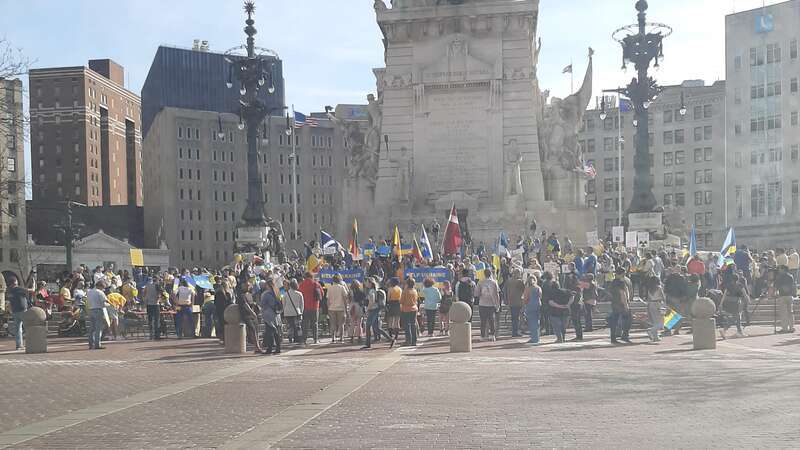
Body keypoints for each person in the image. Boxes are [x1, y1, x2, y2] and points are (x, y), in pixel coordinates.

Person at [362, 277, 392, 349]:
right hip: (376, 309)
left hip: (373, 309)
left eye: (366, 282)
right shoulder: (374, 290)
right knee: (376, 328)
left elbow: (371, 301)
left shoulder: (371, 291)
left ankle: (368, 343)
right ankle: (391, 339)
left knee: (368, 326)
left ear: (370, 283)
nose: (365, 284)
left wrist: (368, 309)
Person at [7, 277, 31, 351]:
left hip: (15, 311)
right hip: (22, 310)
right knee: (28, 327)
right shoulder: (18, 289)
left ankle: (19, 345)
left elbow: (10, 302)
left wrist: (10, 310)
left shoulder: (10, 291)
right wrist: (33, 285)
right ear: (15, 282)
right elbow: (30, 290)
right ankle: (30, 343)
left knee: (17, 329)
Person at [719, 274, 746, 339]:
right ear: (738, 279)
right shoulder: (740, 285)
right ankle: (724, 329)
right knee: (735, 318)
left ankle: (739, 331)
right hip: (736, 303)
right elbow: (744, 294)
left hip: (728, 303)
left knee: (737, 317)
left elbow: (724, 295)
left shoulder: (729, 286)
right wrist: (747, 300)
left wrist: (721, 303)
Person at [477, 268, 501, 341]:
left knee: (483, 320)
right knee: (491, 320)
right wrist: (497, 304)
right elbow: (497, 294)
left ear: (484, 274)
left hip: (482, 303)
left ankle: (483, 336)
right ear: (491, 274)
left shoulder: (480, 282)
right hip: (491, 304)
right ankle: (492, 335)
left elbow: (477, 293)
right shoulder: (494, 282)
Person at [609, 268, 632, 344]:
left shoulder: (613, 282)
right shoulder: (621, 282)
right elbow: (623, 294)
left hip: (615, 303)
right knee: (627, 320)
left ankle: (613, 337)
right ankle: (625, 335)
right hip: (621, 304)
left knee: (614, 321)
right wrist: (626, 305)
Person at [298, 272, 322, 344]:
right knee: (314, 323)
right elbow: (322, 293)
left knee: (305, 324)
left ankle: (304, 339)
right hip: (314, 306)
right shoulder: (316, 284)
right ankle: (315, 339)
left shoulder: (301, 284)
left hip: (305, 307)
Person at [260, 279, 283, 354]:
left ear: (267, 285)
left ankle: (269, 349)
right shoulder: (277, 292)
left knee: (269, 331)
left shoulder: (266, 294)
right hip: (276, 314)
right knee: (275, 331)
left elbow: (262, 304)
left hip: (268, 314)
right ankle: (278, 347)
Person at [239, 281, 263, 354]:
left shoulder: (250, 294)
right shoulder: (241, 295)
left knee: (255, 330)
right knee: (252, 330)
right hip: (247, 315)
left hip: (252, 315)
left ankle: (257, 346)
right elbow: (245, 305)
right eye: (246, 285)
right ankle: (257, 347)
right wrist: (252, 313)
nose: (247, 287)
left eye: (248, 285)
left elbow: (252, 304)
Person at [86, 280, 110, 350]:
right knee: (98, 329)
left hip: (91, 309)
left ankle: (90, 343)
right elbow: (104, 303)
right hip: (98, 309)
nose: (104, 289)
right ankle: (97, 344)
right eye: (103, 287)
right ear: (101, 286)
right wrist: (109, 305)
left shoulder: (89, 292)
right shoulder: (100, 292)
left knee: (92, 328)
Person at [326, 274, 350, 343]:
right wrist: (346, 308)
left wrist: (328, 308)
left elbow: (328, 299)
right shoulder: (342, 287)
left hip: (331, 308)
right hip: (341, 308)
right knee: (341, 324)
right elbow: (345, 298)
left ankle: (333, 338)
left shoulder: (330, 288)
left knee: (332, 323)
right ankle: (341, 338)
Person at [774, 265, 796, 334]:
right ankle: (791, 327)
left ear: (784, 269)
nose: (779, 270)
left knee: (783, 313)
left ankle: (785, 328)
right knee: (790, 312)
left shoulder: (779, 277)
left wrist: (775, 292)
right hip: (789, 295)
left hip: (782, 296)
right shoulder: (790, 276)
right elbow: (792, 285)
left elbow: (776, 286)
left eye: (780, 269)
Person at [282, 279, 304, 344]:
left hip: (287, 312)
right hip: (297, 312)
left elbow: (284, 304)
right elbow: (302, 304)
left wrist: (285, 311)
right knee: (298, 327)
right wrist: (301, 312)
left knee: (289, 327)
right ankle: (300, 339)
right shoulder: (299, 294)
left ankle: (290, 339)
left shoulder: (285, 294)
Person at [504, 270, 525, 337]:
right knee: (517, 317)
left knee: (514, 317)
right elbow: (524, 290)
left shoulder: (508, 281)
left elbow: (504, 291)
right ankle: (515, 332)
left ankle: (514, 331)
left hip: (511, 301)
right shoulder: (520, 281)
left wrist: (506, 300)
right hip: (518, 301)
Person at [644, 275, 665, 342]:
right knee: (661, 322)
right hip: (658, 304)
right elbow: (663, 297)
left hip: (651, 304)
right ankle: (650, 330)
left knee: (655, 322)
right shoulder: (659, 288)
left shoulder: (649, 289)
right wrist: (665, 305)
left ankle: (656, 337)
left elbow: (648, 299)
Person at [399, 277, 419, 346]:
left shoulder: (405, 291)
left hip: (406, 309)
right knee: (413, 324)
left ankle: (408, 340)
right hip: (414, 308)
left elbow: (401, 301)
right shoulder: (415, 291)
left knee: (407, 325)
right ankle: (414, 340)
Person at [523, 275, 541, 345]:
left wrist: (525, 304)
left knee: (531, 322)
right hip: (538, 305)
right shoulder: (538, 288)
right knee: (537, 322)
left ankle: (534, 338)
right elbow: (540, 296)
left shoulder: (528, 289)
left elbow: (525, 298)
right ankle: (537, 337)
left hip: (530, 305)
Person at [214, 279, 234, 344]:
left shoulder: (218, 293)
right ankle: (228, 339)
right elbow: (230, 302)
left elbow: (216, 303)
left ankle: (224, 339)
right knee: (227, 324)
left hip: (220, 310)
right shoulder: (228, 293)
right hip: (227, 310)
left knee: (222, 325)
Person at [386, 277, 403, 347]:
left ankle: (390, 336)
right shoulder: (399, 289)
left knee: (390, 321)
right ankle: (396, 336)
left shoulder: (390, 289)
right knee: (397, 321)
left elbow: (388, 298)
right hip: (398, 304)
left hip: (391, 304)